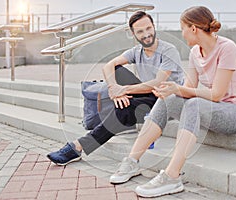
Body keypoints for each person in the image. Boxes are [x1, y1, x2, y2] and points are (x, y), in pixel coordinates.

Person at [109, 6, 236, 198]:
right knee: (170, 98)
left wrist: (180, 90)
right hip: (211, 109)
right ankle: (132, 161)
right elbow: (188, 89)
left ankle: (171, 176)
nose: (182, 33)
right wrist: (170, 90)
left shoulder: (227, 48)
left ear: (193, 28)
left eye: (183, 28)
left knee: (193, 104)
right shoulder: (194, 52)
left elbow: (217, 94)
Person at [47, 11, 184, 165]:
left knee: (124, 109)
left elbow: (158, 83)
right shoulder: (136, 52)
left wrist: (123, 90)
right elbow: (108, 66)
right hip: (147, 94)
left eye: (148, 28)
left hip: (167, 99)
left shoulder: (168, 50)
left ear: (153, 27)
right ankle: (125, 115)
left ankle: (78, 146)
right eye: (140, 31)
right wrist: (113, 89)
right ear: (133, 34)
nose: (146, 34)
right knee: (117, 69)